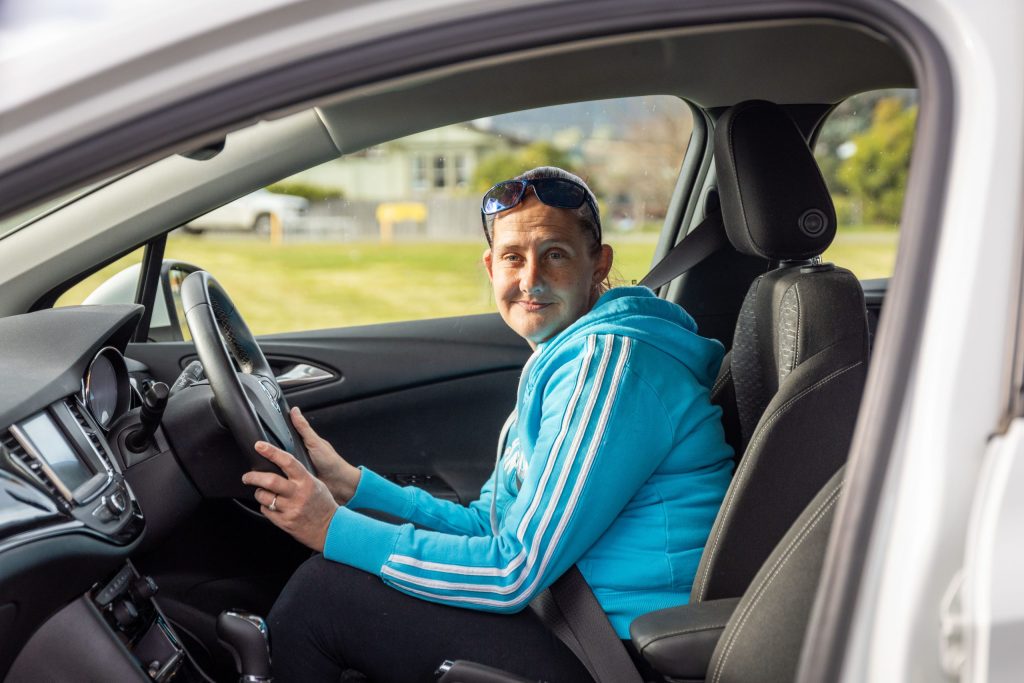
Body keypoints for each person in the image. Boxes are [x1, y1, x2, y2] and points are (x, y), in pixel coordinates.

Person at [241, 166, 734, 682]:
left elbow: (510, 570)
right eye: (513, 258)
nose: (530, 280)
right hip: (562, 616)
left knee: (327, 595)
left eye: (556, 255)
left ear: (598, 263)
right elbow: (492, 525)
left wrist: (332, 527)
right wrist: (354, 487)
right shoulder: (565, 357)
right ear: (490, 266)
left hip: (616, 654)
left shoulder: (614, 364)